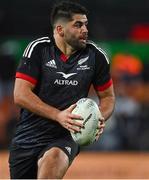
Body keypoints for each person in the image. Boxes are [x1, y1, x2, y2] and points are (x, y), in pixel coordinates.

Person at [9, 1, 115, 179]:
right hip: (28, 136)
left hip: (66, 135)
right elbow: (20, 95)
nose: (85, 30)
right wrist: (58, 115)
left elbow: (108, 97)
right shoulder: (38, 49)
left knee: (54, 158)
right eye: (78, 25)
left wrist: (99, 117)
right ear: (60, 30)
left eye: (86, 24)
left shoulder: (96, 56)